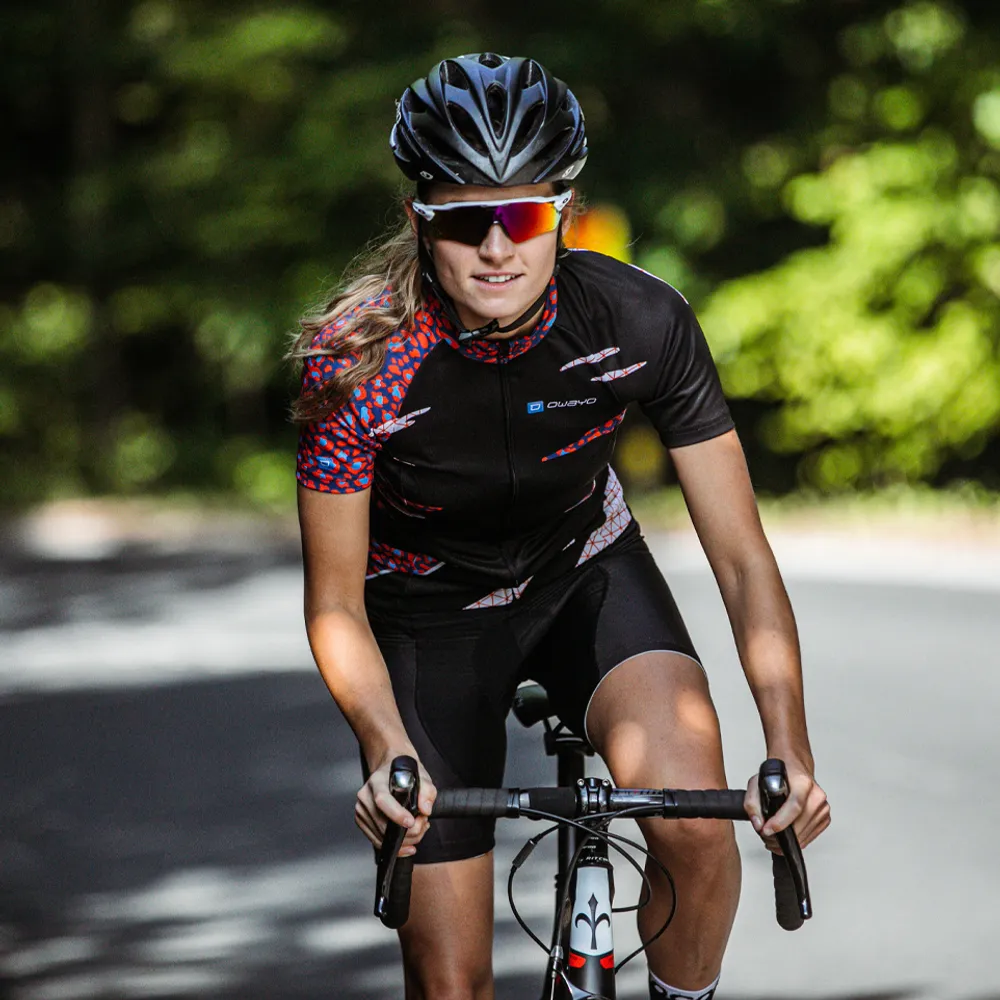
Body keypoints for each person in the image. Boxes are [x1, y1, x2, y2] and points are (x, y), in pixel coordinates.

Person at [290, 52, 830, 1000]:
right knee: (450, 982)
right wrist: (383, 747)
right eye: (467, 219)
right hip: (427, 616)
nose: (498, 248)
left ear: (565, 215)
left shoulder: (639, 320)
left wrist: (789, 743)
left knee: (695, 830)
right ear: (421, 220)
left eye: (526, 216)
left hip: (587, 574)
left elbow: (743, 559)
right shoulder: (355, 362)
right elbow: (335, 601)